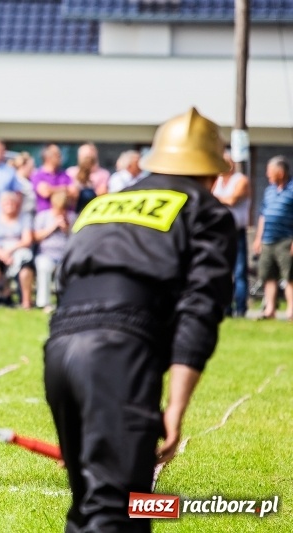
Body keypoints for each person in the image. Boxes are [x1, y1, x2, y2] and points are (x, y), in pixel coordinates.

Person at [43, 108, 236, 532]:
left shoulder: (105, 204)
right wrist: (177, 407)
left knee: (87, 507)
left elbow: (64, 276)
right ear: (212, 170)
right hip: (118, 352)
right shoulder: (206, 211)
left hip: (59, 348)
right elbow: (200, 309)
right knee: (122, 510)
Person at [251, 155, 293, 320]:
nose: (267, 174)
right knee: (268, 276)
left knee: (290, 277)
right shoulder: (269, 190)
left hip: (286, 240)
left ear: (280, 172)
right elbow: (263, 215)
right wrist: (258, 238)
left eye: (270, 171)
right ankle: (270, 310)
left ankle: (291, 311)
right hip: (268, 240)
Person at [212, 150, 251, 317]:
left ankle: (241, 308)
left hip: (237, 231)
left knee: (239, 270)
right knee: (223, 270)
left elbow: (232, 200)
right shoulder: (218, 181)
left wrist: (217, 198)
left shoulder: (241, 180)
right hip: (219, 230)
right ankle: (226, 308)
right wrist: (221, 197)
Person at [0, 191, 34, 310]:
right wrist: (3, 255)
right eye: (6, 203)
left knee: (26, 269)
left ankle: (26, 302)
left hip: (19, 250)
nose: (10, 205)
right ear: (1, 205)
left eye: (12, 203)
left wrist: (11, 250)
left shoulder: (24, 218)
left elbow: (27, 240)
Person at [33, 189, 76, 311]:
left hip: (66, 255)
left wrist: (66, 229)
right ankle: (44, 303)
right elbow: (36, 237)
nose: (62, 211)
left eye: (64, 208)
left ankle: (67, 302)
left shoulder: (72, 217)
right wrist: (52, 227)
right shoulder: (43, 216)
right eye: (59, 208)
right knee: (44, 267)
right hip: (46, 254)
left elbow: (76, 239)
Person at [32, 144, 72, 213]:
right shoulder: (38, 175)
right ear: (48, 158)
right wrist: (64, 188)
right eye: (57, 155)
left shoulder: (64, 174)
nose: (60, 158)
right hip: (46, 215)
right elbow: (45, 192)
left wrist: (51, 189)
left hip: (65, 214)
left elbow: (74, 192)